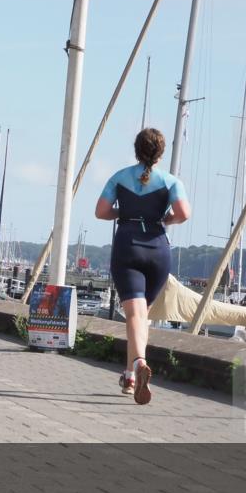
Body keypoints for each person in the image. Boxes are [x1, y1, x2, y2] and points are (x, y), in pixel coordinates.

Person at [95, 127, 190, 405]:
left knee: (134, 315)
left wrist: (122, 213)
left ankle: (137, 364)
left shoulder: (120, 177)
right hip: (158, 249)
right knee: (141, 316)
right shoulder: (171, 180)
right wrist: (166, 220)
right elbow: (183, 213)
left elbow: (100, 211)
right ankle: (130, 376)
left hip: (128, 243)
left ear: (136, 150)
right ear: (160, 153)